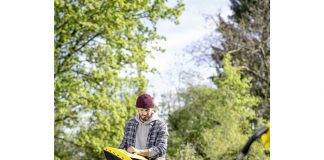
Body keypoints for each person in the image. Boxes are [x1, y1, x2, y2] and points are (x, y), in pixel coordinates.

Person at [119, 93, 168, 160]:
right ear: (137, 109)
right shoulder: (130, 123)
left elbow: (161, 149)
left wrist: (139, 152)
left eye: (147, 110)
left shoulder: (160, 125)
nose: (144, 113)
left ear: (152, 108)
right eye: (141, 110)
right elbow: (123, 146)